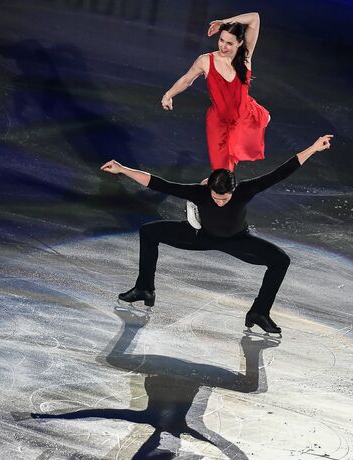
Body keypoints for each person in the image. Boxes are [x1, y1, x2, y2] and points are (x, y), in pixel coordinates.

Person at [100, 135, 333, 334]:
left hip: (237, 241)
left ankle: (259, 312)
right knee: (149, 232)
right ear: (209, 188)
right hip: (201, 236)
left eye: (225, 198)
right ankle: (144, 288)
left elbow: (280, 173)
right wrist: (122, 169)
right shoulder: (200, 193)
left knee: (280, 260)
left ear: (233, 190)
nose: (220, 202)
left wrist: (313, 148)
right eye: (215, 197)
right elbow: (158, 183)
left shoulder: (245, 191)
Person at [161, 12, 270, 171]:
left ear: (239, 43)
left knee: (232, 162)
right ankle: (217, 183)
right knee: (221, 169)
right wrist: (168, 95)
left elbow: (255, 18)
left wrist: (223, 22)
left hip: (243, 117)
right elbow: (186, 80)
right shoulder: (206, 61)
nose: (223, 46)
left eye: (229, 43)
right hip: (219, 123)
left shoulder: (245, 57)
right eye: (221, 40)